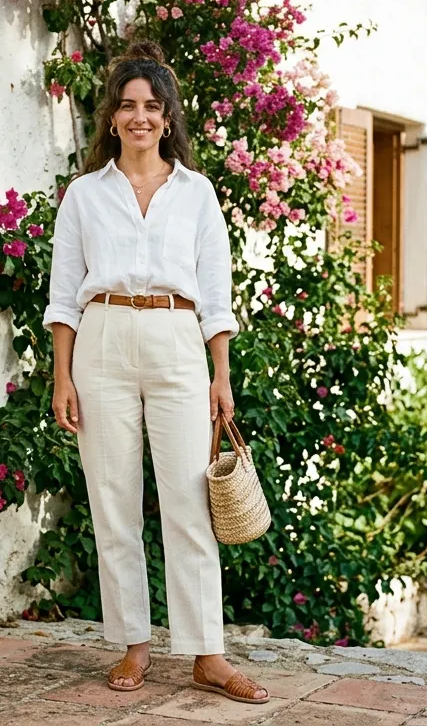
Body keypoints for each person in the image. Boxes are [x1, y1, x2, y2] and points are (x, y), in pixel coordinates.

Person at [42, 41, 270, 705]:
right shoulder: (84, 196)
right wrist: (63, 376)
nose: (139, 116)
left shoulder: (197, 194)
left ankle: (208, 653)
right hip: (103, 340)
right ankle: (134, 644)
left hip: (177, 340)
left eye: (151, 106)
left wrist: (220, 374)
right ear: (110, 118)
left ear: (168, 118)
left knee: (190, 502)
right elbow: (62, 296)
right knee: (112, 499)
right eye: (127, 105)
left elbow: (217, 294)